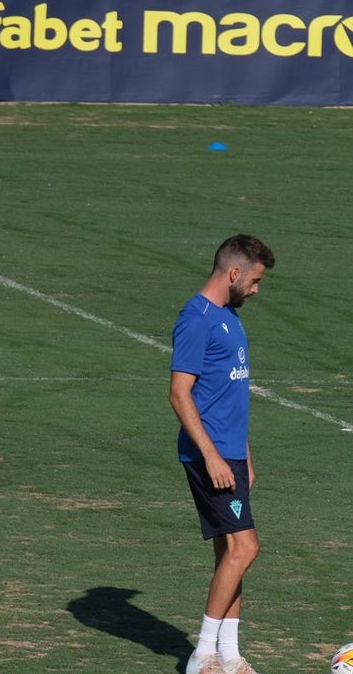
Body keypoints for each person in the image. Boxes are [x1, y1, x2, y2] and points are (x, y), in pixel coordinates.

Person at [169, 234, 275, 674]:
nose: (255, 289)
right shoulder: (196, 320)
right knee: (245, 548)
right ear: (234, 273)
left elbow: (230, 393)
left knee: (229, 552)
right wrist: (212, 456)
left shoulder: (229, 317)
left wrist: (243, 454)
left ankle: (228, 656)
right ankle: (202, 654)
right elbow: (180, 394)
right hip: (207, 456)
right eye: (253, 280)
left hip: (230, 453)